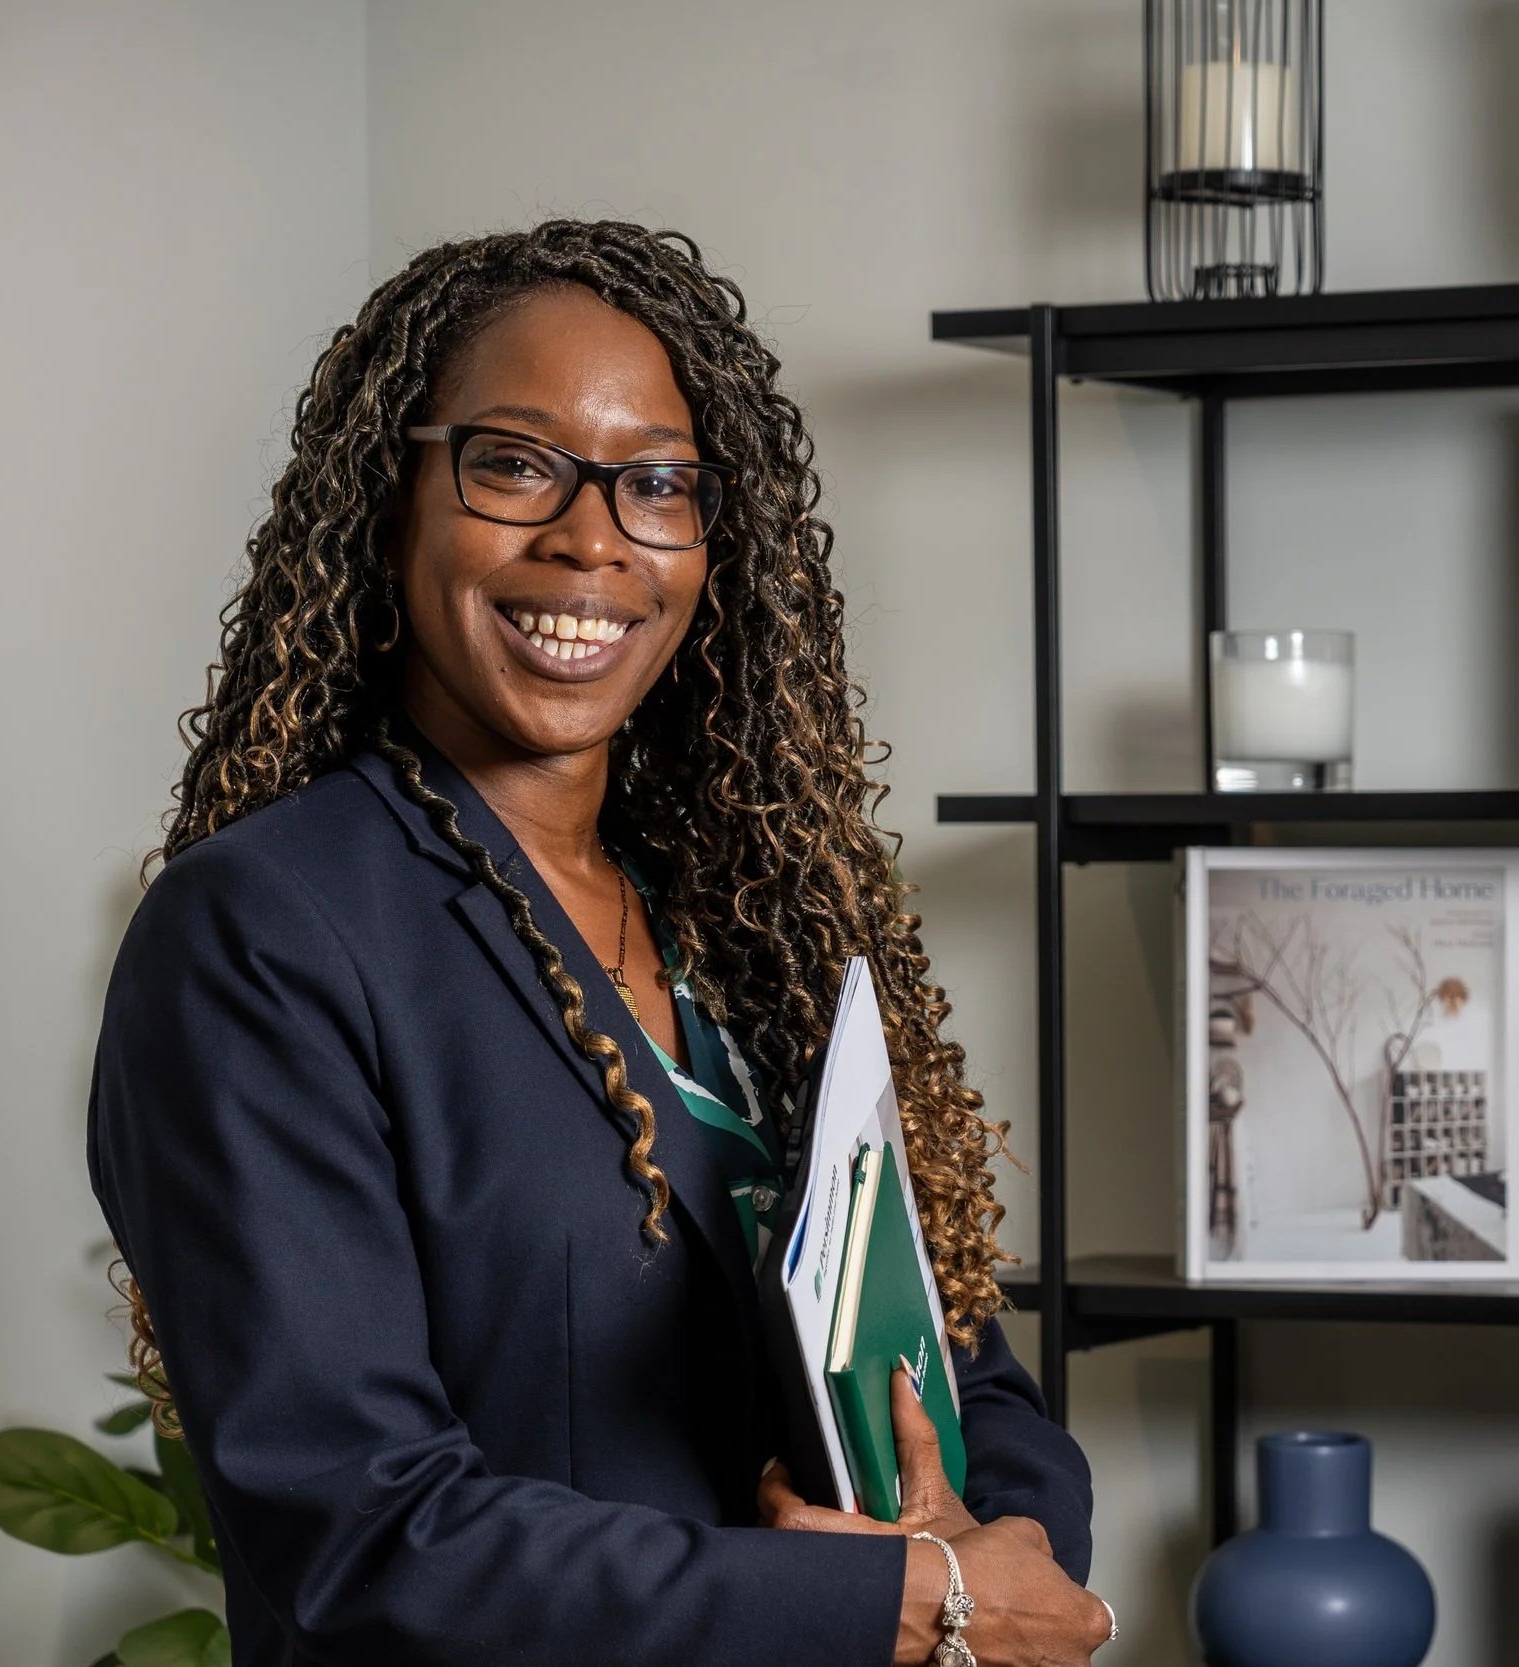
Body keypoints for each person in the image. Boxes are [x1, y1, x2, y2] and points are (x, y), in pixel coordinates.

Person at [86, 217, 1116, 1666]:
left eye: (658, 486)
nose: (592, 541)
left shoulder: (746, 921)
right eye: (513, 465)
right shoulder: (262, 934)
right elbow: (363, 1534)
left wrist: (1006, 1553)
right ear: (393, 500)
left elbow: (964, 1360)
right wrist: (897, 1606)